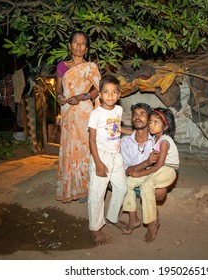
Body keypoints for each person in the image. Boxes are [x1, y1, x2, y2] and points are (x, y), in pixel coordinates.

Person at [55, 30, 101, 204]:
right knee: (69, 149)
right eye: (75, 42)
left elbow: (98, 89)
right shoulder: (62, 66)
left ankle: (87, 188)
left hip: (84, 112)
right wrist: (60, 96)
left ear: (86, 48)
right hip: (68, 110)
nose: (79, 46)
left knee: (85, 149)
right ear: (69, 45)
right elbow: (58, 88)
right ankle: (71, 187)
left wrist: (82, 96)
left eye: (82, 43)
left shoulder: (91, 67)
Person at [122, 107, 179, 242]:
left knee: (147, 186)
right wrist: (119, 129)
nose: (151, 125)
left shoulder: (164, 141)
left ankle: (152, 223)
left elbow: (159, 165)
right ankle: (133, 217)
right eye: (151, 122)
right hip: (159, 170)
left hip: (168, 170)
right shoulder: (155, 138)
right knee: (128, 182)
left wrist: (140, 173)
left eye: (156, 123)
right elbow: (133, 132)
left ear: (165, 126)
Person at [87, 75, 132, 245]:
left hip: (116, 155)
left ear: (119, 95)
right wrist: (98, 162)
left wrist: (130, 132)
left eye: (114, 92)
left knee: (121, 188)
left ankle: (112, 217)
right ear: (99, 94)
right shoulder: (95, 114)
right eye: (106, 92)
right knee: (97, 193)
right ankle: (96, 228)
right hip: (101, 156)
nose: (110, 95)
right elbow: (91, 139)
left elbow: (116, 128)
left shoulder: (118, 111)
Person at [120, 103, 165, 232]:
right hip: (134, 178)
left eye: (142, 114)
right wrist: (146, 163)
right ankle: (133, 219)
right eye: (135, 114)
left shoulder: (157, 141)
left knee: (160, 192)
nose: (137, 117)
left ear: (149, 118)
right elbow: (127, 169)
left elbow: (161, 168)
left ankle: (153, 215)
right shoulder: (126, 141)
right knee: (124, 181)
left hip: (151, 178)